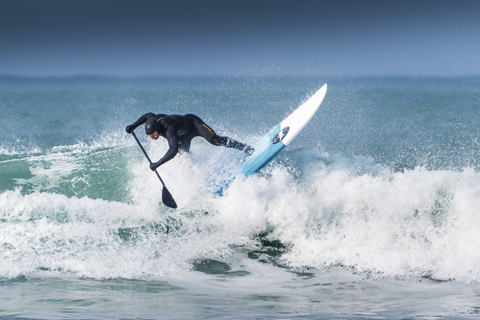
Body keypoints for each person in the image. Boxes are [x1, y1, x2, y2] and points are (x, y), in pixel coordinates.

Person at [126, 113, 254, 171]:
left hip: (194, 125)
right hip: (182, 137)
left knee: (216, 140)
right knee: (186, 159)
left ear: (157, 129)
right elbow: (146, 116)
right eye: (149, 136)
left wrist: (157, 164)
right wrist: (133, 126)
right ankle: (201, 180)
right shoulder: (152, 119)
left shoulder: (169, 127)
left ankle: (245, 148)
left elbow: (173, 150)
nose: (152, 138)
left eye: (152, 135)